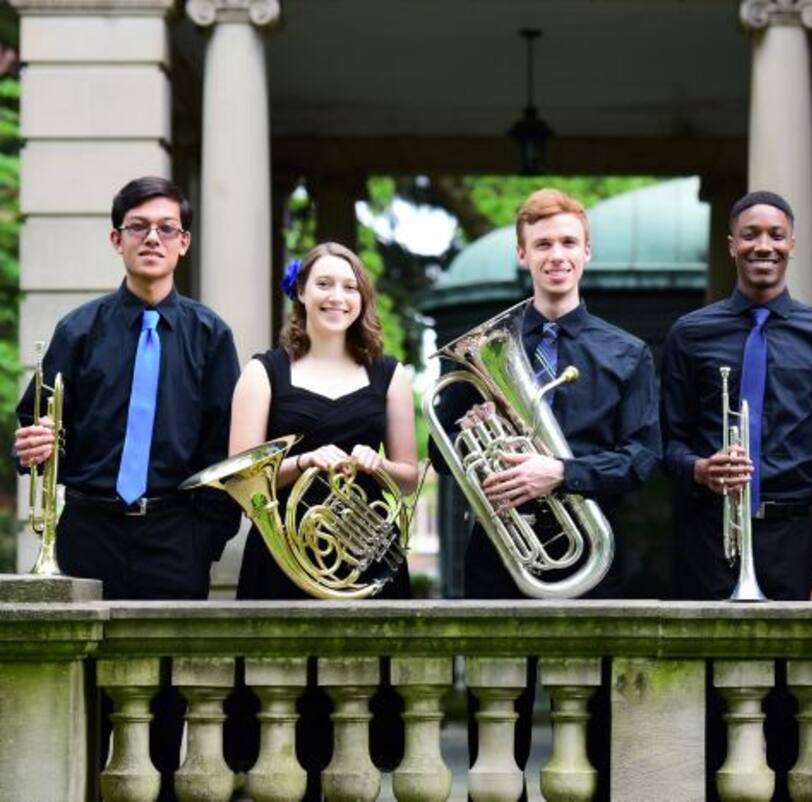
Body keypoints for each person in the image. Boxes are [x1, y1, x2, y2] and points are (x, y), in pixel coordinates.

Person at [13, 175, 241, 802]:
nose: (152, 238)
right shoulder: (77, 329)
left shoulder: (210, 335)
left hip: (175, 533)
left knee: (168, 698)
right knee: (81, 690)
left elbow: (226, 451)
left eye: (166, 227)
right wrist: (29, 447)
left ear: (184, 242)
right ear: (116, 239)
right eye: (139, 226)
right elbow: (34, 426)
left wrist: (204, 539)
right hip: (88, 532)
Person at [429, 188, 661, 800]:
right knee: (497, 703)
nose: (555, 255)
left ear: (586, 252)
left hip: (592, 558)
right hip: (500, 551)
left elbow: (643, 458)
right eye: (542, 245)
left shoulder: (626, 354)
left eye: (566, 243)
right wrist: (470, 432)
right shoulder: (481, 350)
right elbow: (439, 454)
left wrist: (561, 472)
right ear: (522, 255)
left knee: (590, 705)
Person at [660, 190, 812, 800]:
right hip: (707, 535)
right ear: (732, 246)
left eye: (775, 234)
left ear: (792, 243)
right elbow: (662, 445)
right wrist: (700, 468)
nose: (763, 246)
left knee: (786, 702)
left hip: (791, 536)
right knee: (707, 696)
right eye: (750, 234)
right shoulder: (690, 334)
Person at [225, 241, 420, 801]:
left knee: (361, 717)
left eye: (350, 286)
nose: (338, 296)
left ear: (363, 298)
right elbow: (240, 473)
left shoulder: (390, 375)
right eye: (326, 284)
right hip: (284, 562)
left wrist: (379, 463)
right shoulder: (265, 372)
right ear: (301, 294)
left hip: (366, 564)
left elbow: (409, 474)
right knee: (284, 717)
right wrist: (306, 459)